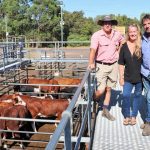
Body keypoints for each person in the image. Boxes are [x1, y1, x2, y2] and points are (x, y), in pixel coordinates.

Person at [88, 15, 123, 121]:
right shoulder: (97, 35)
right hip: (101, 65)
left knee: (109, 89)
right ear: (102, 24)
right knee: (101, 90)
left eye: (109, 23)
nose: (107, 25)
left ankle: (105, 110)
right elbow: (93, 50)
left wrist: (119, 50)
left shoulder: (117, 34)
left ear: (112, 24)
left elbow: (123, 41)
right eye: (105, 23)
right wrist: (91, 63)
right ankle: (94, 100)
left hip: (113, 65)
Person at [118, 24, 142, 126]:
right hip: (127, 77)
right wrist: (121, 77)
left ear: (138, 32)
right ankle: (127, 116)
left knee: (137, 96)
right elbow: (120, 63)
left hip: (140, 77)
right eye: (130, 32)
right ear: (128, 33)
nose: (132, 33)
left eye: (134, 31)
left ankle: (133, 116)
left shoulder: (142, 45)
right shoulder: (124, 46)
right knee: (126, 95)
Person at [140, 14, 150, 136]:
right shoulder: (142, 38)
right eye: (145, 24)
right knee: (147, 96)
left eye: (149, 23)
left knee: (149, 98)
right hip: (145, 73)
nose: (147, 26)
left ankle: (148, 122)